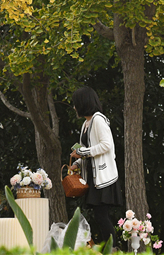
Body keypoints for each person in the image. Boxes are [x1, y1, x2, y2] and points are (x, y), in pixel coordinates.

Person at [68, 86, 123, 248]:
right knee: (100, 217)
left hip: (103, 176)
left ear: (83, 103)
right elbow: (87, 150)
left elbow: (106, 145)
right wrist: (77, 163)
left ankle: (112, 249)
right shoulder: (86, 123)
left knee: (102, 216)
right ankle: (109, 248)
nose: (74, 107)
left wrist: (81, 152)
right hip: (93, 177)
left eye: (76, 103)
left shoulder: (98, 120)